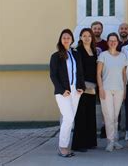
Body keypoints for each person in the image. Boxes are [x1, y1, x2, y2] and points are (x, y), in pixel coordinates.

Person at [49, 29, 85, 158]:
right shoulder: (56, 56)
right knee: (68, 118)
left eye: (68, 37)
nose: (66, 39)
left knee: (70, 120)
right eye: (64, 37)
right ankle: (62, 147)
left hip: (76, 91)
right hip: (63, 92)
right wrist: (61, 90)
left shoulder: (75, 54)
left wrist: (81, 87)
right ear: (60, 39)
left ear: (72, 40)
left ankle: (65, 146)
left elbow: (79, 72)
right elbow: (53, 75)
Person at [97, 33, 128, 152]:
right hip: (106, 89)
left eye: (115, 40)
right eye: (110, 40)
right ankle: (109, 141)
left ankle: (115, 140)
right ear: (108, 42)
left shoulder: (122, 56)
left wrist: (124, 89)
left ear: (118, 42)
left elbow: (124, 74)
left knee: (115, 116)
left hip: (119, 89)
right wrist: (100, 88)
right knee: (108, 116)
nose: (112, 42)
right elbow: (98, 74)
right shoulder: (103, 55)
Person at [71, 28, 98, 152]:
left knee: (90, 114)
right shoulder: (77, 51)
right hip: (81, 87)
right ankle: (79, 144)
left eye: (89, 36)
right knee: (81, 115)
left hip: (92, 87)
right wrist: (80, 85)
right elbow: (77, 70)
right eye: (84, 36)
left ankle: (90, 142)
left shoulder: (94, 51)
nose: (87, 38)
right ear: (80, 37)